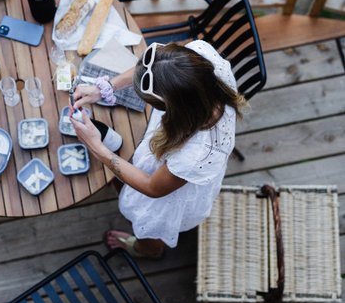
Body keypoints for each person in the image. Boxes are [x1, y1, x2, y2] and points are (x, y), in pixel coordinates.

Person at [71, 39, 246, 259]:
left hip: (172, 192)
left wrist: (97, 147)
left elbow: (152, 187)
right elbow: (154, 66)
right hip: (180, 147)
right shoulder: (200, 59)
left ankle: (150, 249)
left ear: (172, 108)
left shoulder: (195, 155)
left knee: (150, 221)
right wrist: (105, 87)